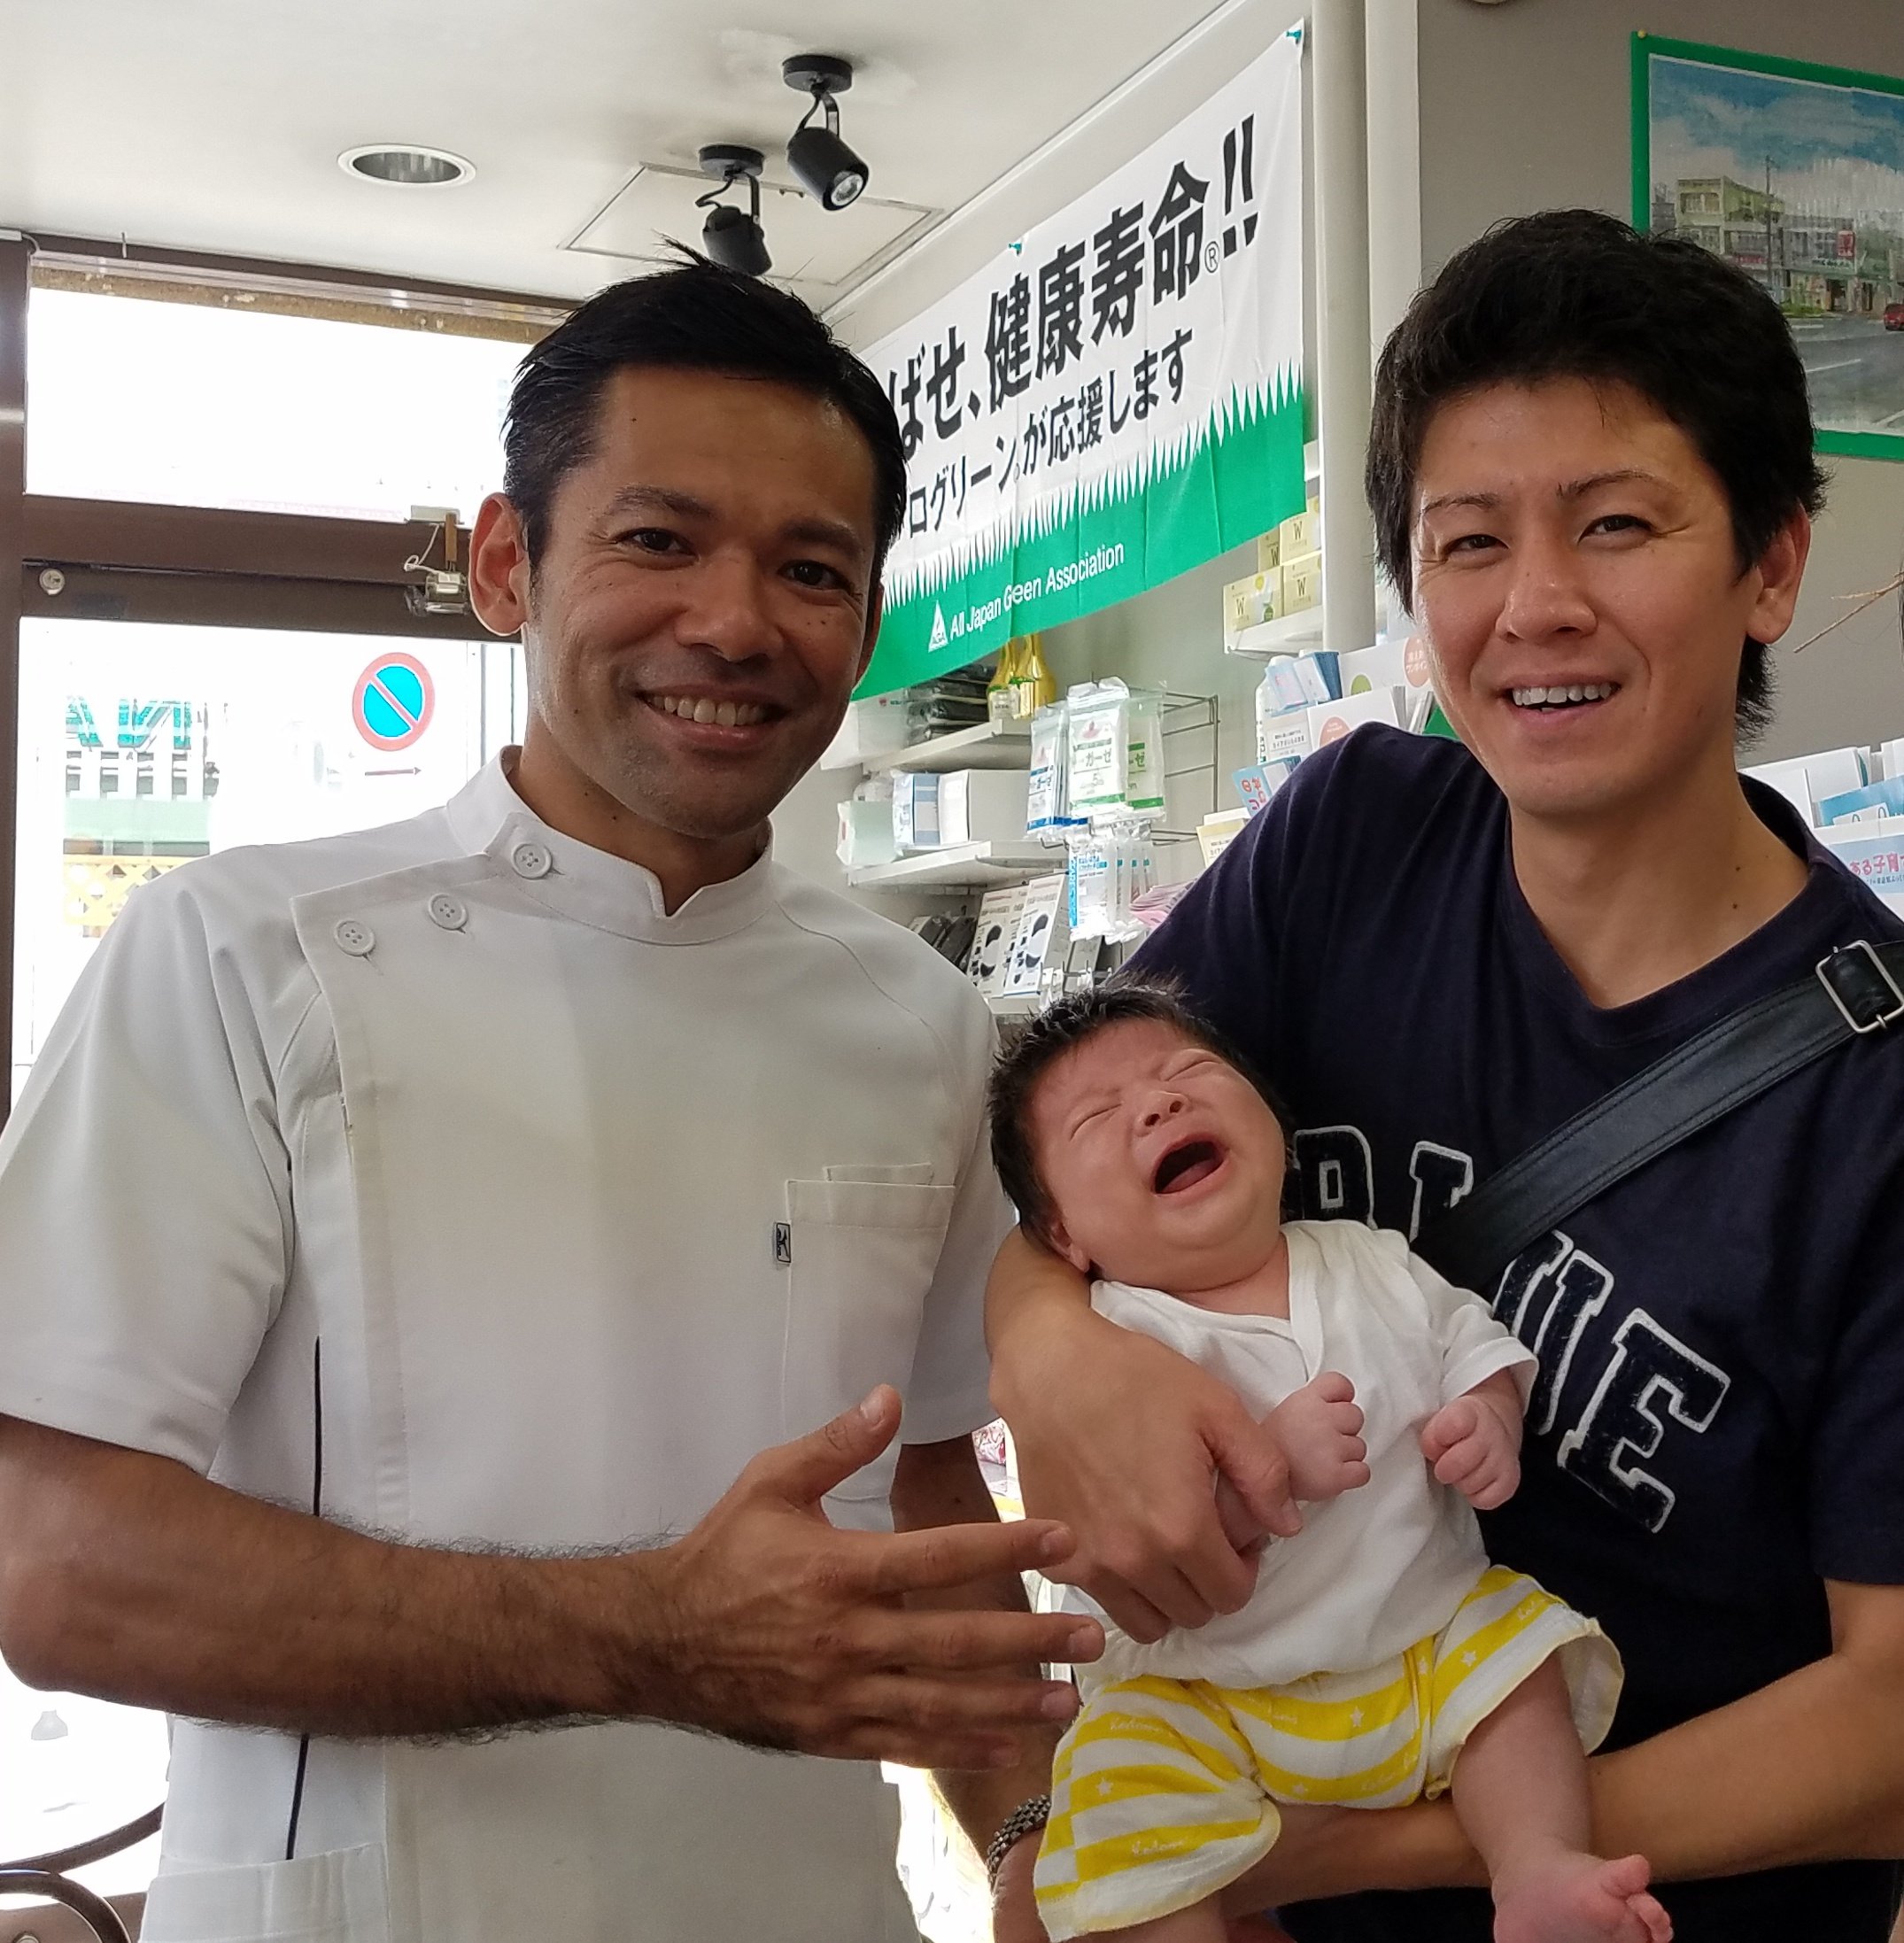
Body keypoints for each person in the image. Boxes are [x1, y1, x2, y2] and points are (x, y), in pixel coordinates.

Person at [0, 259, 1103, 1943]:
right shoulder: (238, 952)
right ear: (506, 563)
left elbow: (930, 1493)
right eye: (658, 539)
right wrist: (653, 1634)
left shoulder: (919, 1018)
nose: (734, 623)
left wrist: (1038, 1836)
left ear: (868, 621)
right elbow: (59, 1562)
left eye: (811, 568)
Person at [984, 210, 1904, 1943]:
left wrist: (1343, 1843)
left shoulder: (1869, 1100)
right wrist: (1052, 1356)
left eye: (1615, 523)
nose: (1534, 605)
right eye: (1468, 540)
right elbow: (1056, 1170)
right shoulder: (1348, 844)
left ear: (1771, 563)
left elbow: (1889, 1725)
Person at [987, 980, 1667, 1943]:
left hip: (1420, 1636)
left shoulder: (1369, 1256)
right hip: (1204, 1693)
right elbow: (1145, 1538)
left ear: (1276, 1124)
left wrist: (1487, 1415)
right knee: (1119, 1801)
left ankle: (1536, 1868)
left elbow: (1469, 1338)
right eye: (1098, 1118)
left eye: (1188, 1071)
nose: (1159, 1103)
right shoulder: (1117, 1340)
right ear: (1063, 1236)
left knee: (1518, 1664)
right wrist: (1260, 1471)